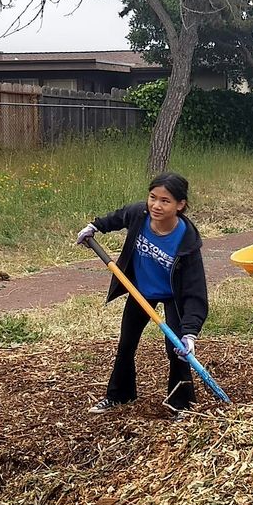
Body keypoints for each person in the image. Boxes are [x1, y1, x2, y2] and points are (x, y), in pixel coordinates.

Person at [76, 173, 208, 417]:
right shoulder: (140, 214)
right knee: (126, 343)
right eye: (152, 197)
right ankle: (119, 395)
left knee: (177, 351)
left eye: (165, 201)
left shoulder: (187, 243)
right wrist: (95, 226)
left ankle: (183, 405)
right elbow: (119, 216)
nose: (156, 205)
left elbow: (195, 292)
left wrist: (190, 333)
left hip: (173, 296)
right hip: (140, 290)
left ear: (180, 205)